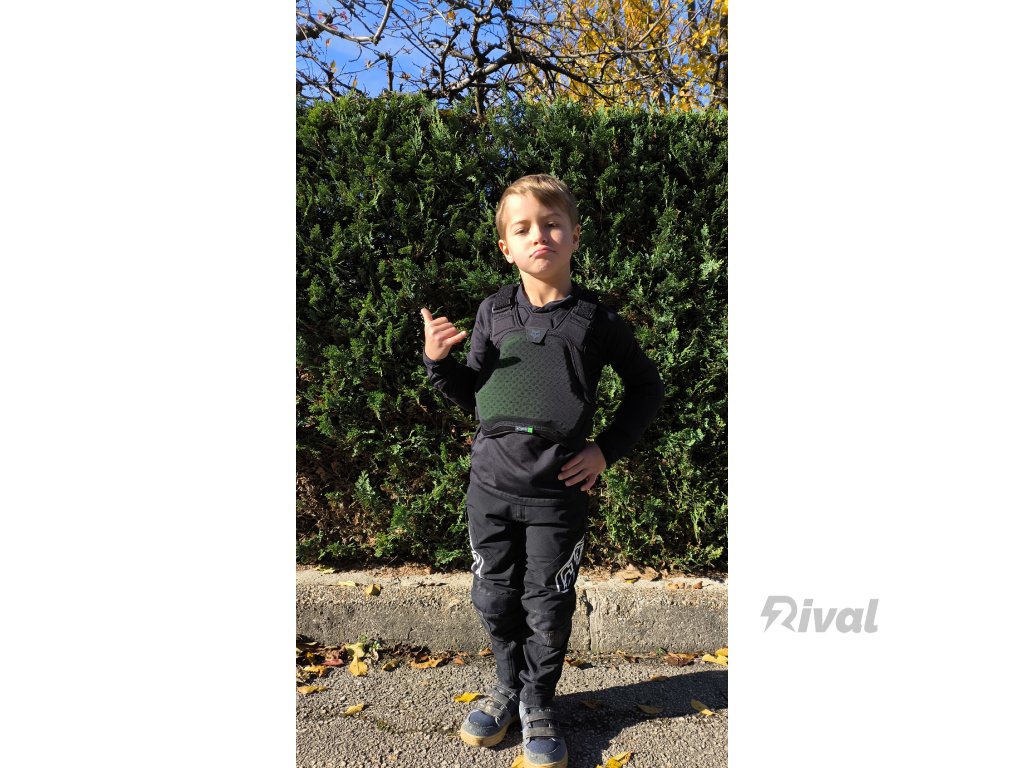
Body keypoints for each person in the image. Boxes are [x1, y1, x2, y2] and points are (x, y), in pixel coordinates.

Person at [420, 173, 664, 768]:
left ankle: (537, 701)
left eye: (552, 224)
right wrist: (437, 362)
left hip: (557, 496)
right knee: (493, 596)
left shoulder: (597, 321)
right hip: (490, 488)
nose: (539, 236)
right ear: (506, 246)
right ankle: (506, 688)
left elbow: (647, 388)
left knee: (547, 605)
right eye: (523, 228)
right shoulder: (493, 312)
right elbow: (477, 395)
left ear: (574, 236)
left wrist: (605, 450)